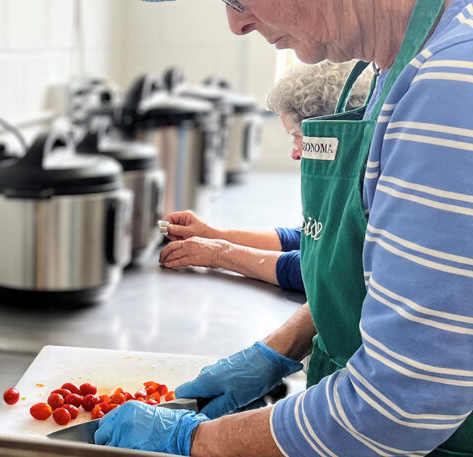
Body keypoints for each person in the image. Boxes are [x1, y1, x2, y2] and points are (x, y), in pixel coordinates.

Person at [93, 0, 473, 457]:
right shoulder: (425, 50)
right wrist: (283, 343)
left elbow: (393, 407)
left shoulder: (466, 78)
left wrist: (193, 443)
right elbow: (402, 266)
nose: (235, 20)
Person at [159, 61, 371, 293]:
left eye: (296, 136)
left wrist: (220, 254)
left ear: (329, 130)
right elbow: (309, 239)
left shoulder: (367, 182)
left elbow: (321, 269)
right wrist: (213, 234)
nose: (295, 152)